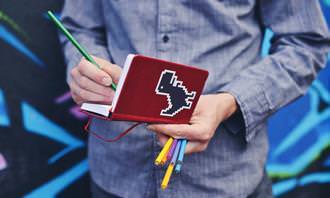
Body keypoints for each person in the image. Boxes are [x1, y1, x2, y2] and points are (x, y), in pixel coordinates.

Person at [59, 1, 330, 197]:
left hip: (226, 180)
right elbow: (79, 28)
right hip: (118, 174)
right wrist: (87, 70)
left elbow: (305, 42)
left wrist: (229, 102)